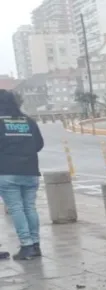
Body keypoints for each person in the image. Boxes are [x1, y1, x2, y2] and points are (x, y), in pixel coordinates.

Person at [0, 89, 44, 261]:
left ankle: (26, 246)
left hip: (7, 172)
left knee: (16, 208)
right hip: (30, 171)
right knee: (30, 208)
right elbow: (39, 144)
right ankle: (36, 244)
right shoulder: (29, 121)